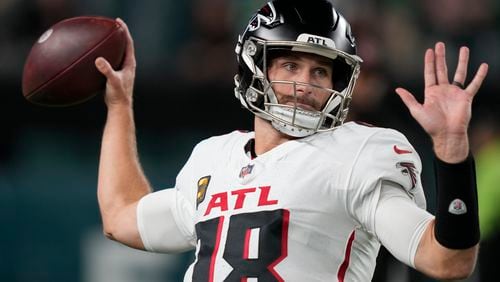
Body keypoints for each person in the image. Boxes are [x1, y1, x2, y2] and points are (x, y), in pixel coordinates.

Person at [93, 0, 489, 281]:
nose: (304, 84)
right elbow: (121, 217)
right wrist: (119, 104)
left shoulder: (358, 154)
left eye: (320, 73)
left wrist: (451, 152)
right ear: (255, 67)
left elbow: (447, 262)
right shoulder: (213, 159)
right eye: (290, 65)